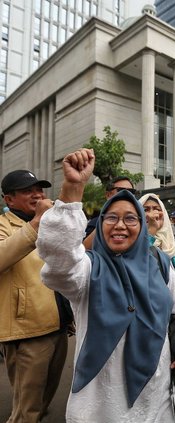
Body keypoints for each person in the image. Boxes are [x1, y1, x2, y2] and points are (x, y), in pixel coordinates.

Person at [36, 149, 175, 422]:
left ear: (142, 226)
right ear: (100, 224)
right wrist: (73, 188)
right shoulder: (87, 268)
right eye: (111, 217)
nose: (120, 225)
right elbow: (59, 260)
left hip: (158, 393)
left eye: (130, 218)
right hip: (101, 404)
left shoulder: (159, 264)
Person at [0, 170, 69, 423]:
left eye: (39, 189)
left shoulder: (47, 223)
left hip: (57, 326)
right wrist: (37, 223)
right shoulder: (4, 225)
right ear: (9, 200)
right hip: (26, 331)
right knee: (26, 410)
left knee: (44, 400)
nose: (38, 194)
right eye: (28, 190)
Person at [139, 193, 175, 282]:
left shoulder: (169, 242)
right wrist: (152, 230)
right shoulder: (133, 241)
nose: (152, 214)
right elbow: (140, 260)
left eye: (157, 209)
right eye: (146, 209)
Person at [83, 175, 136, 249]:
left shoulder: (139, 222)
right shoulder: (95, 223)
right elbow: (84, 250)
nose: (120, 226)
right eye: (121, 190)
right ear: (108, 195)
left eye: (131, 192)